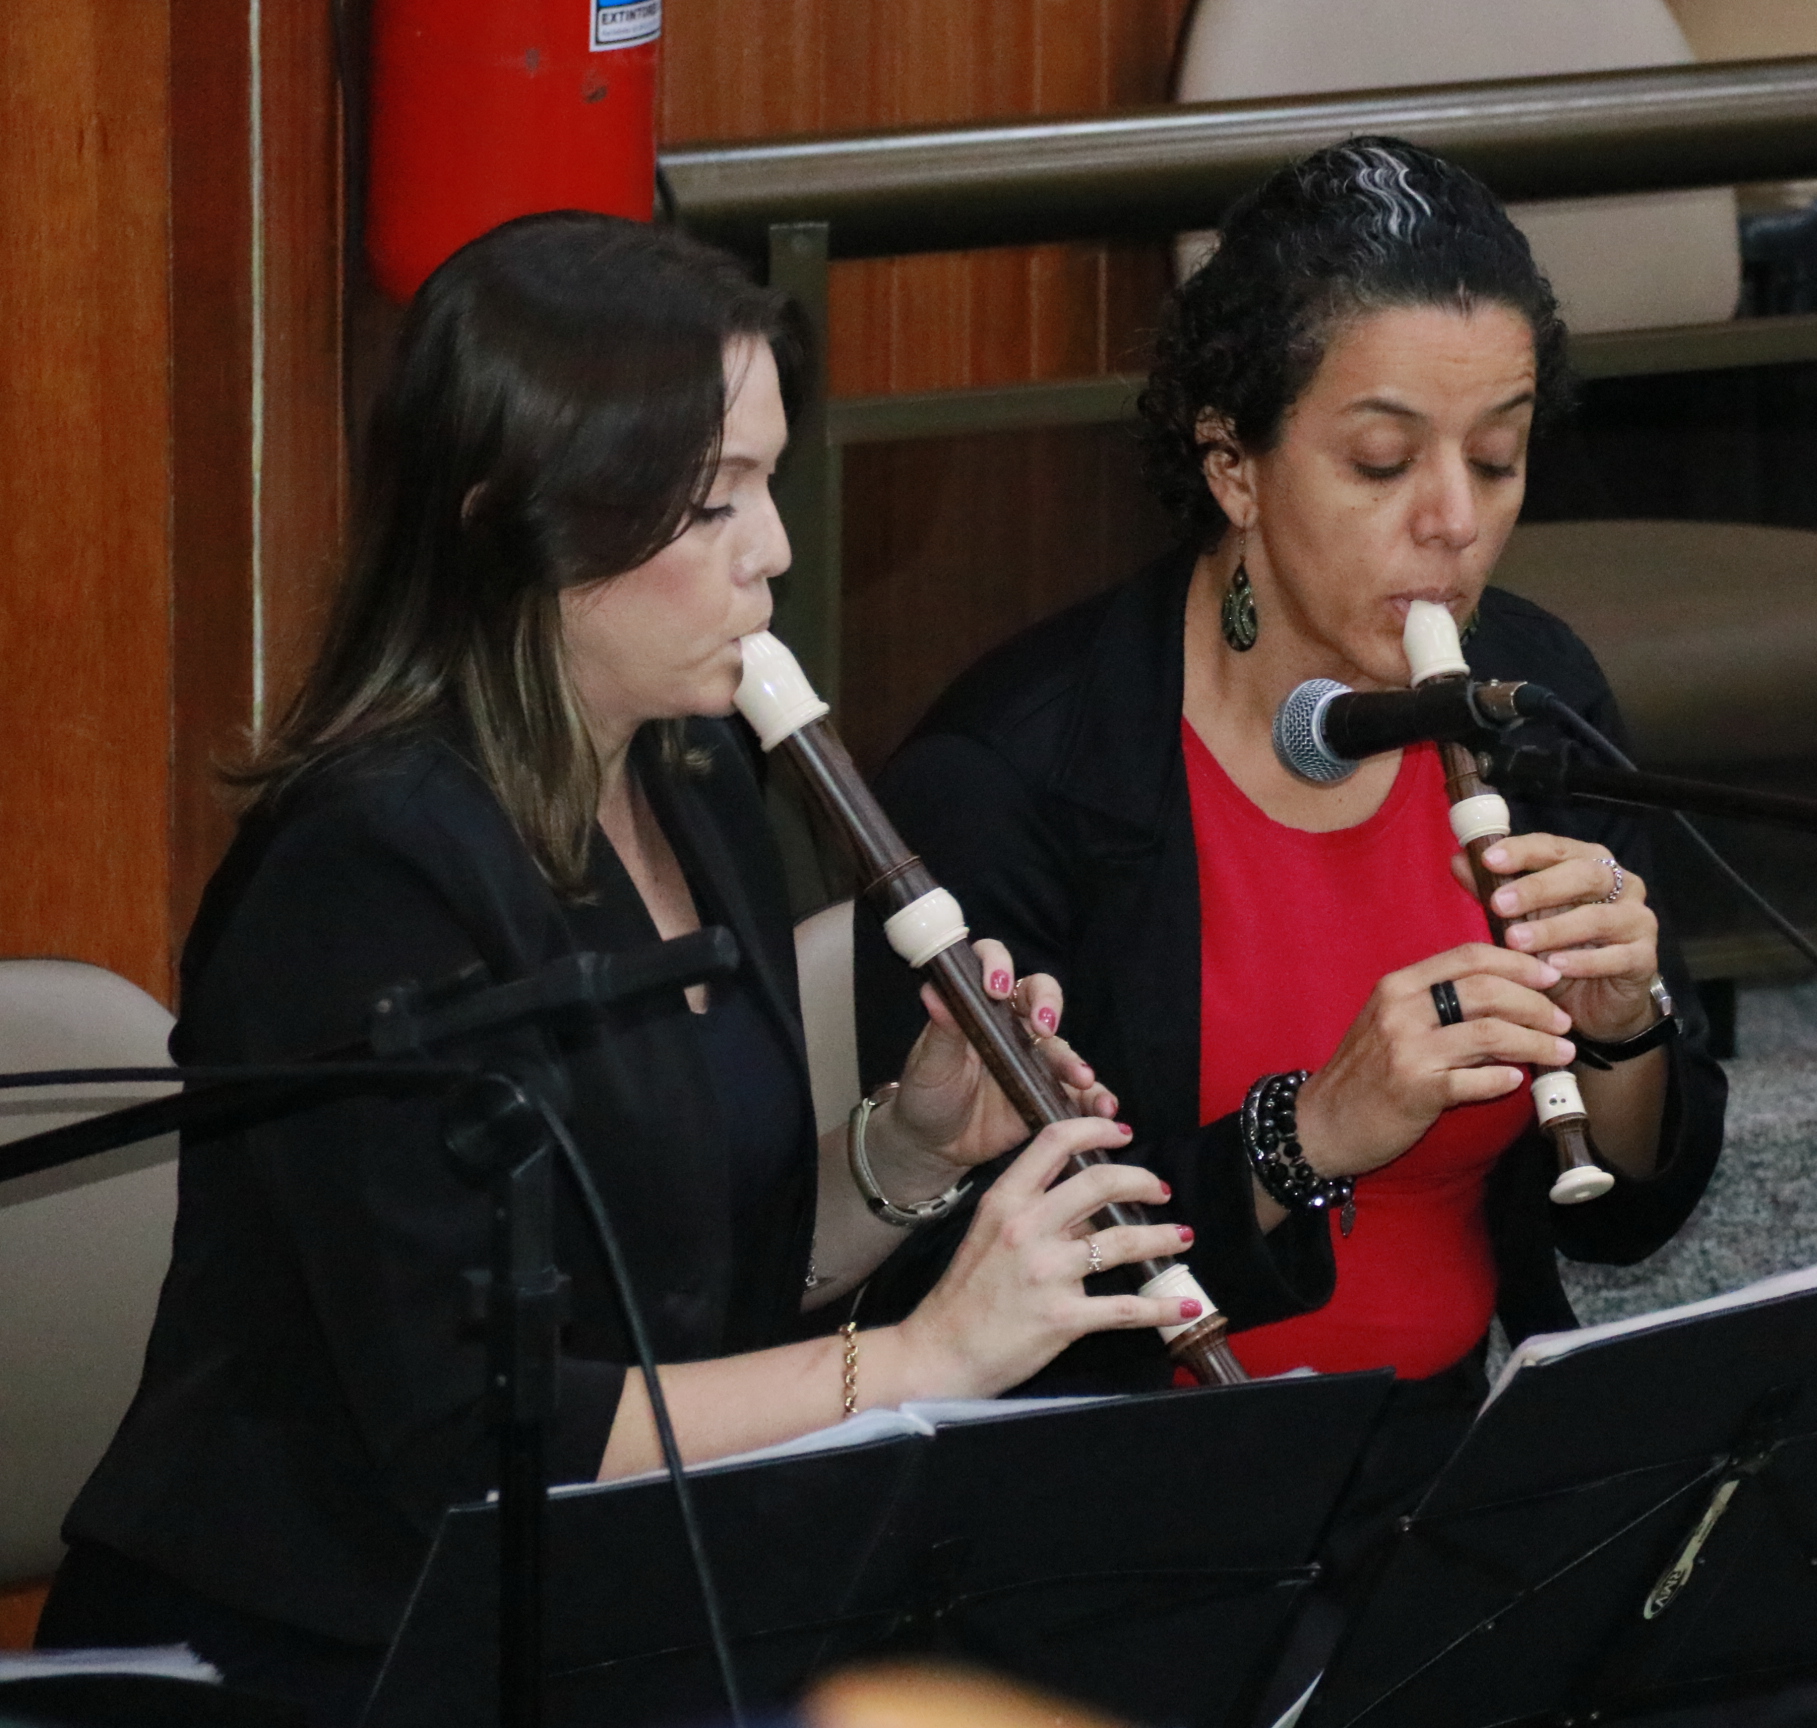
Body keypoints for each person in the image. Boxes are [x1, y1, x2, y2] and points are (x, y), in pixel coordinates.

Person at [38, 213, 1192, 1724]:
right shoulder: (363, 873)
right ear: (514, 528)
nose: (774, 549)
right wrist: (924, 1358)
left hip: (607, 1609)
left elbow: (700, 1286)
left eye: (767, 482)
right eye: (715, 502)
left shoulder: (695, 783)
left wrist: (911, 1153)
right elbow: (473, 1434)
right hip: (322, 1647)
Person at [857, 136, 1727, 1483]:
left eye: (1498, 458)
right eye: (1382, 463)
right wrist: (1307, 1130)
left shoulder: (1530, 695)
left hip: (1450, 1454)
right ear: (1235, 467)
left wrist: (1623, 1030)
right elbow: (962, 1298)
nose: (1454, 522)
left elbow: (1623, 1222)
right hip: (1131, 1485)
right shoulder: (1013, 775)